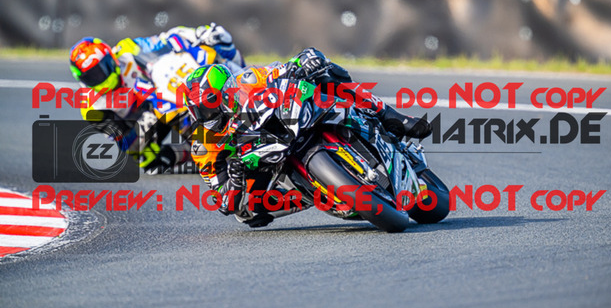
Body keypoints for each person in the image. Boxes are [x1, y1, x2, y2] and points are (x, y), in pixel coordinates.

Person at [184, 47, 431, 227]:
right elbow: (224, 202)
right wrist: (236, 179)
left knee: (324, 73)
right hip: (261, 164)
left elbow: (280, 69)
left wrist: (304, 61)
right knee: (246, 212)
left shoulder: (247, 81)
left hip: (286, 122)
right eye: (200, 110)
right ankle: (316, 192)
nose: (208, 113)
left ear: (228, 91)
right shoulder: (203, 145)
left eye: (211, 103)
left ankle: (390, 116)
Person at [68, 22, 245, 173]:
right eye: (91, 76)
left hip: (160, 93)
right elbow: (124, 143)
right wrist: (145, 117)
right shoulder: (92, 108)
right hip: (143, 130)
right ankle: (201, 152)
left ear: (110, 58)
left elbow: (164, 40)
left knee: (218, 39)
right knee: (153, 160)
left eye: (102, 69)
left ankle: (243, 80)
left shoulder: (126, 49)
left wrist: (196, 35)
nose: (101, 78)